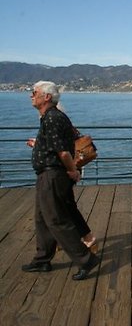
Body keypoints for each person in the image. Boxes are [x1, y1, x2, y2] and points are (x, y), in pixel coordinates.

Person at [21, 81, 100, 280]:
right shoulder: (51, 117)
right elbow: (59, 144)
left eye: (34, 92)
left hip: (52, 175)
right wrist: (39, 145)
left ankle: (86, 259)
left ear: (46, 97)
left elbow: (63, 152)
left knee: (56, 220)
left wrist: (73, 171)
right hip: (47, 174)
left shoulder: (52, 118)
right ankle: (42, 260)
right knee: (42, 219)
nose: (31, 95)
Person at [26, 102, 97, 253]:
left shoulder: (54, 121)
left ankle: (87, 239)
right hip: (67, 169)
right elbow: (59, 144)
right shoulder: (63, 122)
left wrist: (73, 170)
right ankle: (70, 240)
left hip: (65, 170)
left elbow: (61, 148)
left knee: (65, 207)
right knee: (64, 206)